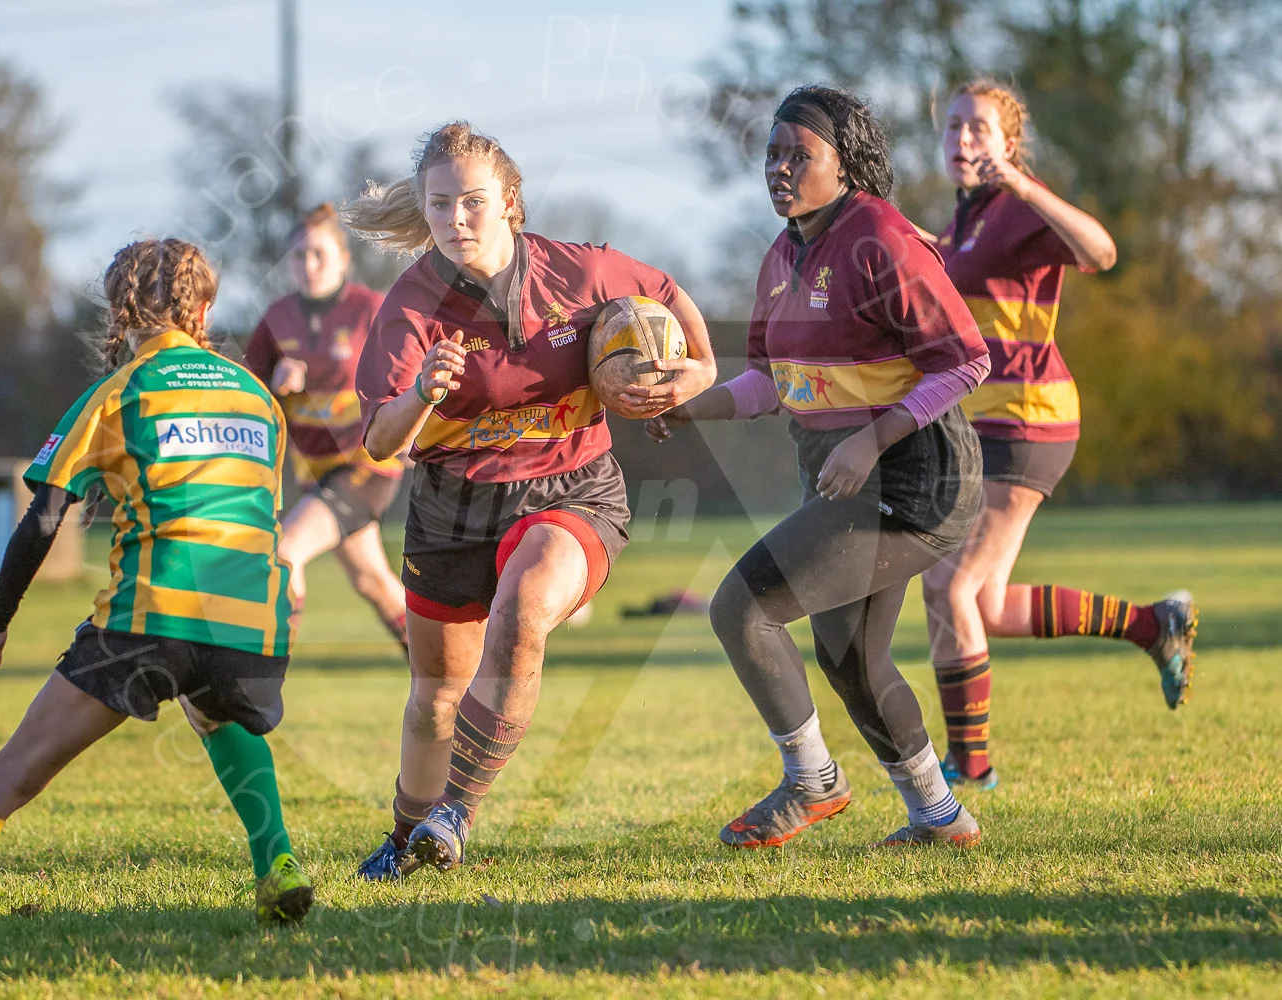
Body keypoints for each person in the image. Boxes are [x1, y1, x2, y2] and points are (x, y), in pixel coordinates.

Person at [0, 239, 312, 943]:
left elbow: (45, 518)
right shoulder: (262, 401)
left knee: (15, 772)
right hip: (252, 624)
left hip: (152, 618)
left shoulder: (119, 393)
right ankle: (278, 866)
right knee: (220, 711)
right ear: (204, 310)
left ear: (120, 311)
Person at [343, 121, 716, 880]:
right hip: (453, 505)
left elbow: (669, 294)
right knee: (435, 698)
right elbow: (382, 442)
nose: (455, 221)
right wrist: (421, 392)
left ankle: (454, 814)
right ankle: (407, 836)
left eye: (473, 203)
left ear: (510, 202)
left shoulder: (581, 274)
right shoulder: (411, 304)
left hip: (572, 488)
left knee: (524, 609)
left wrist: (700, 372)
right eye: (439, 205)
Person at [649, 85, 991, 849]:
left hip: (916, 484)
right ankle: (941, 817)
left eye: (798, 154)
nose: (778, 167)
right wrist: (684, 404)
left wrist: (871, 437)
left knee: (742, 606)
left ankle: (813, 782)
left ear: (847, 165)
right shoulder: (781, 253)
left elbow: (967, 360)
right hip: (854, 490)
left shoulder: (880, 236)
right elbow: (771, 383)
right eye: (771, 154)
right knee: (849, 656)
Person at [919, 79, 1197, 792]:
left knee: (950, 585)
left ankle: (970, 769)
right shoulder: (968, 218)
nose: (962, 140)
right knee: (987, 604)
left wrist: (1026, 184)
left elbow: (1102, 252)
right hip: (989, 422)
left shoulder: (1014, 205)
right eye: (952, 128)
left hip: (1028, 418)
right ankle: (1153, 625)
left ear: (1008, 142)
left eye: (978, 128)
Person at [244, 203, 410, 657]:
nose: (308, 265)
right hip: (316, 474)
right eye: (299, 256)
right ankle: (451, 679)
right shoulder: (276, 318)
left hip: (368, 465)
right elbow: (246, 400)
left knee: (284, 553)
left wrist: (421, 428)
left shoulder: (370, 310)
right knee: (373, 581)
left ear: (342, 258)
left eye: (318, 254)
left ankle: (263, 676)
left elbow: (411, 377)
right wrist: (274, 388)